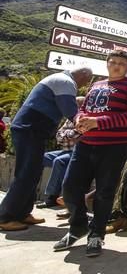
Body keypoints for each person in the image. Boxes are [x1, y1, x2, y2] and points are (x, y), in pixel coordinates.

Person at [53, 51, 127, 257]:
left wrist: (98, 122)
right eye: (113, 62)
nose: (117, 65)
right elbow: (84, 108)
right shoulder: (96, 85)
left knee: (104, 192)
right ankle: (78, 227)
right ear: (107, 64)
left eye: (121, 63)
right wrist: (80, 120)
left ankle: (96, 235)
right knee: (70, 187)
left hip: (113, 147)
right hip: (85, 144)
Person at [0, 67, 92, 232]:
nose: (85, 84)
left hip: (34, 131)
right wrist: (88, 125)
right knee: (26, 174)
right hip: (29, 130)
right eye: (87, 81)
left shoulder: (61, 80)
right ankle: (5, 216)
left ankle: (22, 213)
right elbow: (71, 111)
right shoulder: (65, 82)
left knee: (33, 173)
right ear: (83, 75)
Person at [37, 96, 86, 208]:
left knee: (59, 161)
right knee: (41, 157)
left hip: (76, 152)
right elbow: (59, 136)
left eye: (77, 104)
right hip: (65, 150)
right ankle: (30, 190)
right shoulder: (70, 119)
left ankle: (51, 198)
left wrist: (68, 135)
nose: (74, 106)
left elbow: (78, 133)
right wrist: (70, 135)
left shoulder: (84, 119)